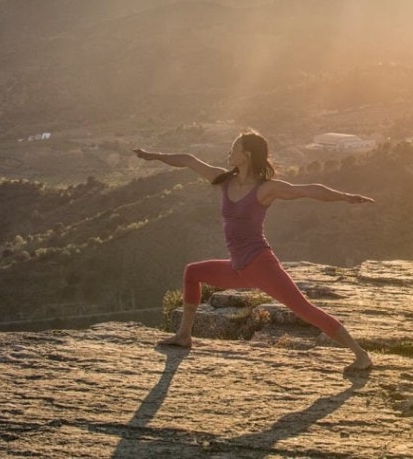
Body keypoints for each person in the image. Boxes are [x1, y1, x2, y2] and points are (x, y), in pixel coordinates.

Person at [133, 130, 375, 372]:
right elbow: (188, 160)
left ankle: (360, 355)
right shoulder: (224, 180)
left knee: (304, 310)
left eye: (234, 147)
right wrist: (153, 156)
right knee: (192, 273)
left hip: (260, 265)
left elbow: (309, 190)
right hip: (238, 268)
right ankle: (184, 335)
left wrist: (346, 197)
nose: (229, 152)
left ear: (246, 155)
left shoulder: (265, 189)